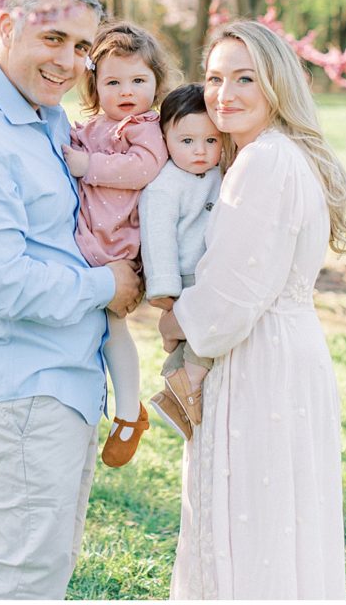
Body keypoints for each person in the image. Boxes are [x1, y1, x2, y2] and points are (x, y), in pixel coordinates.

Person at [0, 0, 142, 601]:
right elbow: (2, 282)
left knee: (45, 567)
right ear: (7, 26)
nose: (68, 62)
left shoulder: (45, 120)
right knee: (20, 574)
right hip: (22, 389)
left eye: (81, 48)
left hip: (66, 380)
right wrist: (107, 284)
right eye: (53, 38)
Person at [159, 19, 346, 600]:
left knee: (247, 525)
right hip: (288, 353)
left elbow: (229, 298)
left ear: (277, 83)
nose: (225, 94)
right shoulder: (281, 154)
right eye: (215, 78)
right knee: (281, 521)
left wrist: (173, 321)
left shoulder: (264, 161)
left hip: (259, 361)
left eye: (245, 77)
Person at [62, 20, 171, 467]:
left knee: (114, 328)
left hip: (118, 246)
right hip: (89, 241)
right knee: (100, 329)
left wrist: (88, 165)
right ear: (94, 86)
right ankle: (110, 406)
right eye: (113, 82)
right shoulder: (93, 127)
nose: (127, 91)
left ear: (156, 84)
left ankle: (129, 412)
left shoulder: (146, 128)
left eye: (138, 81)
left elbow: (141, 169)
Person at [138, 83, 223, 439]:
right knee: (203, 339)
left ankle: (177, 395)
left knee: (196, 343)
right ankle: (187, 387)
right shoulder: (164, 186)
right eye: (186, 141)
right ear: (165, 139)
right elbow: (157, 239)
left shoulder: (223, 174)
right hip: (186, 277)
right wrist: (163, 289)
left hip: (214, 272)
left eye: (211, 141)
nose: (200, 152)